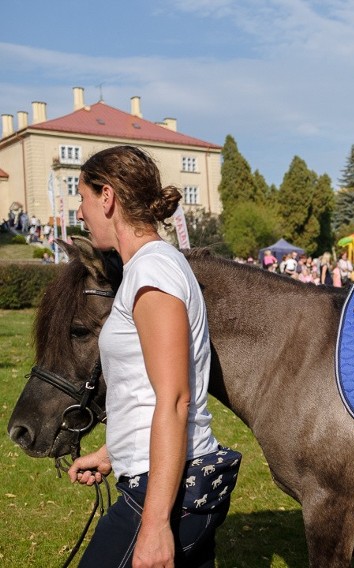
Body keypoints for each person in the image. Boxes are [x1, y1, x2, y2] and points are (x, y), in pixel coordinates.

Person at [68, 145, 238, 567]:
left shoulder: (152, 272)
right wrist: (112, 453)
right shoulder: (153, 267)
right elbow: (149, 388)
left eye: (83, 197)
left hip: (163, 491)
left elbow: (176, 398)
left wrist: (155, 523)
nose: (80, 212)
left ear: (107, 197)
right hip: (164, 477)